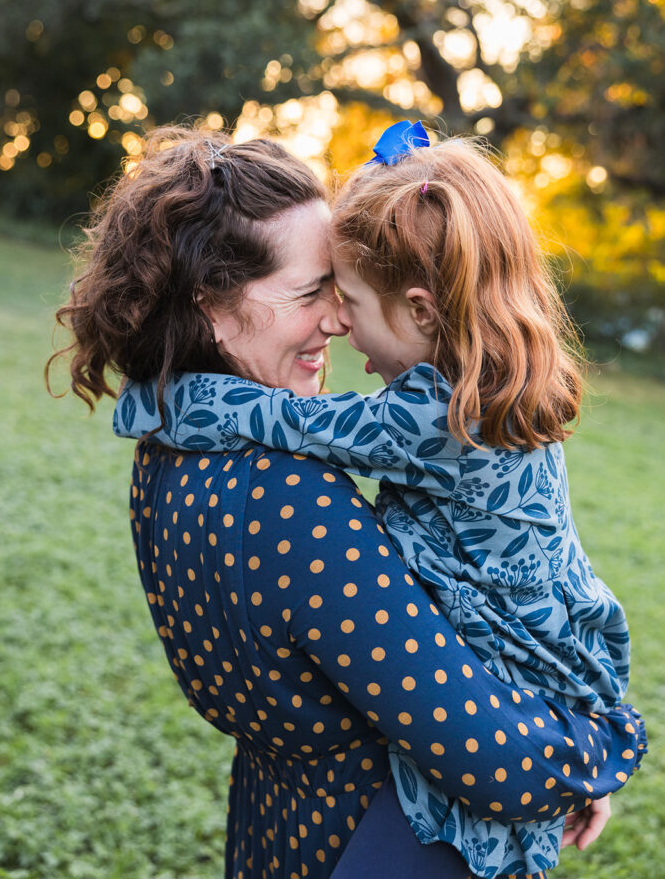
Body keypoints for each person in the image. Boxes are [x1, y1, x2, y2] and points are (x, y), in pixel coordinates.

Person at [49, 123, 646, 879]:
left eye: (342, 292)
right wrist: (597, 749)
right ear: (213, 306)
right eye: (312, 291)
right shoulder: (284, 498)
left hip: (278, 823)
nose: (336, 318)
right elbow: (502, 766)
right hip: (378, 840)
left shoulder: (168, 461)